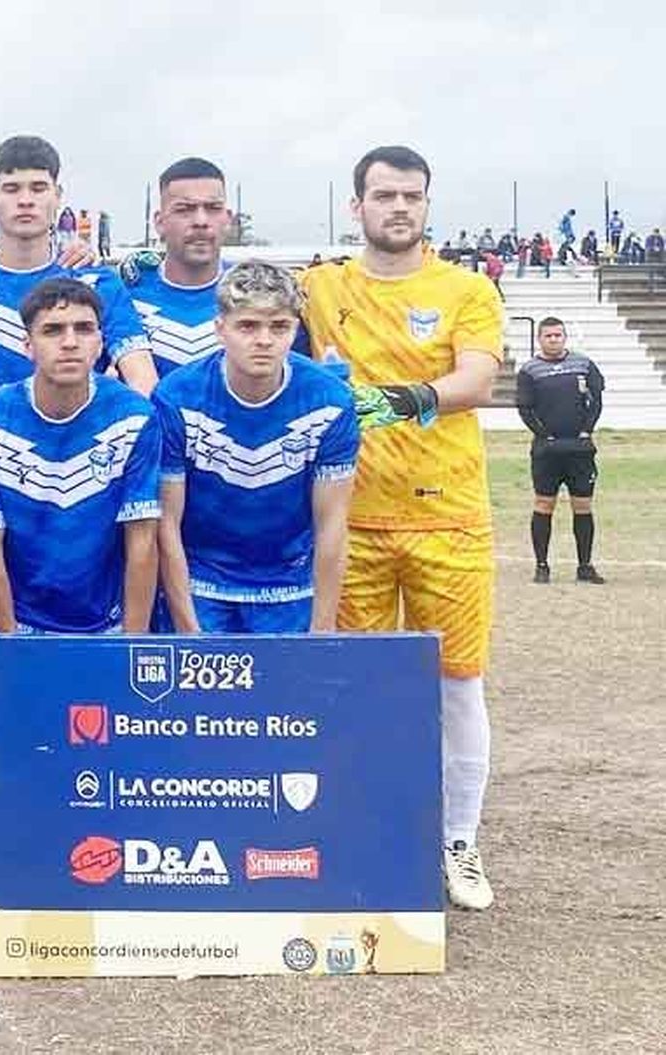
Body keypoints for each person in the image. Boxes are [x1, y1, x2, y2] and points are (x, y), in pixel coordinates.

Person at [299, 145, 505, 911]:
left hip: (447, 517)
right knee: (353, 681)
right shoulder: (321, 287)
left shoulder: (466, 288)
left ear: (427, 204)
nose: (399, 208)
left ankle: (459, 840)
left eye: (411, 196)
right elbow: (244, 313)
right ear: (357, 206)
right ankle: (358, 829)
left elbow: (479, 378)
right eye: (383, 195)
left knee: (457, 684)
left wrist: (408, 399)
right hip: (348, 521)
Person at [0, 277, 161, 634]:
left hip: (105, 626)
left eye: (84, 329)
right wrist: (11, 649)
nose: (70, 342)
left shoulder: (136, 418)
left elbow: (142, 541)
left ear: (100, 343)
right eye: (53, 331)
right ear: (28, 345)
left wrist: (129, 647)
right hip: (18, 625)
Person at [155, 260, 358, 633]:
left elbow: (332, 523)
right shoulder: (176, 398)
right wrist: (188, 629)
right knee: (203, 695)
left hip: (291, 588)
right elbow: (167, 522)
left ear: (295, 330)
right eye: (247, 326)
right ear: (220, 329)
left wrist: (322, 629)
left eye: (278, 326)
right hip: (202, 584)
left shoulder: (330, 401)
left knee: (288, 694)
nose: (264, 340)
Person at [0, 134, 155, 410]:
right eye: (11, 188)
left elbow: (144, 382)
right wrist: (1, 441)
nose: (25, 200)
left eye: (39, 188)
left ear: (58, 196)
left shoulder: (99, 284)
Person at [121, 156, 233, 379]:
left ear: (228, 219)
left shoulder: (257, 295)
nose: (201, 221)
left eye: (213, 208)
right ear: (159, 222)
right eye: (184, 209)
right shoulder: (123, 296)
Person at [515, 317, 605, 584]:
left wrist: (587, 429)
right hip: (547, 451)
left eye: (558, 335)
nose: (554, 339)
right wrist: (545, 435)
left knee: (583, 506)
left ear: (565, 337)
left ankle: (585, 566)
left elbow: (597, 400)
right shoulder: (530, 370)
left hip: (580, 450)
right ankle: (542, 566)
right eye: (548, 336)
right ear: (539, 339)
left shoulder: (584, 364)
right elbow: (525, 409)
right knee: (544, 504)